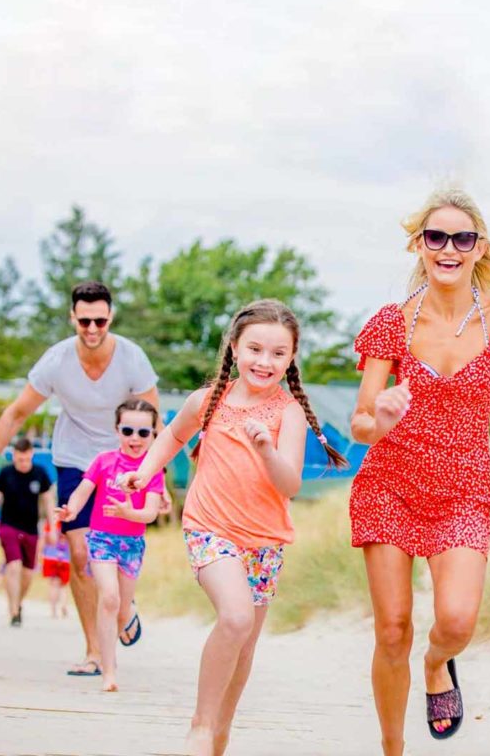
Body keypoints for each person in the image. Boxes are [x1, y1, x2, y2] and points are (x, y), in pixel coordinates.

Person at [348, 188, 490, 752]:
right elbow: (361, 421)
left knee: (456, 622)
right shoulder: (391, 324)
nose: (448, 248)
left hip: (462, 491)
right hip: (389, 486)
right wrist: (378, 419)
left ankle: (437, 666)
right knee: (391, 629)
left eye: (462, 238)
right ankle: (392, 748)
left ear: (480, 249)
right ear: (419, 245)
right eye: (436, 237)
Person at [117, 299, 347, 756]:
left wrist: (266, 450)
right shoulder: (208, 401)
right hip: (209, 529)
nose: (265, 362)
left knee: (244, 645)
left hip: (264, 543)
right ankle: (201, 725)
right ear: (235, 348)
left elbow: (290, 485)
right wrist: (146, 470)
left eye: (278, 353)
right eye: (255, 349)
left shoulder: (289, 413)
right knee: (236, 617)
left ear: (292, 357)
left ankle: (220, 732)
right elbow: (174, 434)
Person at [0, 280, 162, 676]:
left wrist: (156, 476)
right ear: (72, 316)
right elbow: (16, 414)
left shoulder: (132, 359)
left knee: (119, 548)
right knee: (82, 554)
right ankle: (94, 651)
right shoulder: (55, 362)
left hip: (124, 463)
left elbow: (156, 424)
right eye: (84, 320)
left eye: (100, 321)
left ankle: (124, 605)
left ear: (111, 317)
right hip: (74, 461)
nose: (92, 329)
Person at [56, 398, 167, 693]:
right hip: (102, 540)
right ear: (117, 430)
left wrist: (129, 513)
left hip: (132, 544)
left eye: (143, 433)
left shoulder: (152, 470)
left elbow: (151, 513)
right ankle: (109, 670)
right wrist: (71, 511)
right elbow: (83, 490)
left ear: (154, 435)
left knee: (119, 608)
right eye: (128, 430)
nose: (135, 438)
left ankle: (128, 612)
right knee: (108, 597)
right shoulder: (104, 461)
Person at [0, 437, 54, 626]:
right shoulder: (5, 474)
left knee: (28, 573)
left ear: (31, 455)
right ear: (14, 456)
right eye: (20, 460)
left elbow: (48, 501)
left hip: (31, 529)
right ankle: (12, 611)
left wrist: (52, 528)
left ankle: (18, 603)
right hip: (8, 527)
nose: (23, 463)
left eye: (26, 459)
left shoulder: (40, 474)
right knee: (13, 566)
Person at [39, 518, 71, 618]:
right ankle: (63, 605)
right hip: (66, 559)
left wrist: (39, 553)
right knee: (63, 586)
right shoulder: (70, 522)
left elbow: (43, 539)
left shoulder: (51, 522)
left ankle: (53, 610)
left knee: (53, 585)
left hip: (51, 557)